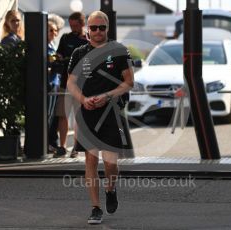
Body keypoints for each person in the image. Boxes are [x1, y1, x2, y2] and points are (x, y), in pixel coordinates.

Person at [67, 11, 134, 224]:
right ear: (87, 28)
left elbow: (129, 82)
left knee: (111, 163)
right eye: (93, 28)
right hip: (87, 113)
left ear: (107, 29)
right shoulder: (79, 53)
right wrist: (83, 99)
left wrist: (107, 96)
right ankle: (95, 208)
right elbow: (70, 83)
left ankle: (111, 188)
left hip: (112, 111)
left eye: (101, 28)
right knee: (90, 160)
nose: (97, 31)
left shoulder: (119, 50)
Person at [54, 12, 88, 157]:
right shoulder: (65, 38)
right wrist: (60, 58)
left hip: (81, 84)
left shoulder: (88, 39)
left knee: (79, 116)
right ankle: (62, 146)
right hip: (65, 82)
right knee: (63, 115)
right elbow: (58, 54)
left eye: (76, 25)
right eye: (71, 25)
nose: (73, 28)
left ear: (82, 24)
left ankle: (76, 147)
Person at [47, 14, 65, 153]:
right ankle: (47, 142)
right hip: (48, 83)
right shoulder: (45, 46)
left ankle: (51, 142)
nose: (53, 33)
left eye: (54, 30)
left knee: (53, 115)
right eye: (50, 30)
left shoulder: (52, 45)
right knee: (48, 114)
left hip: (55, 83)